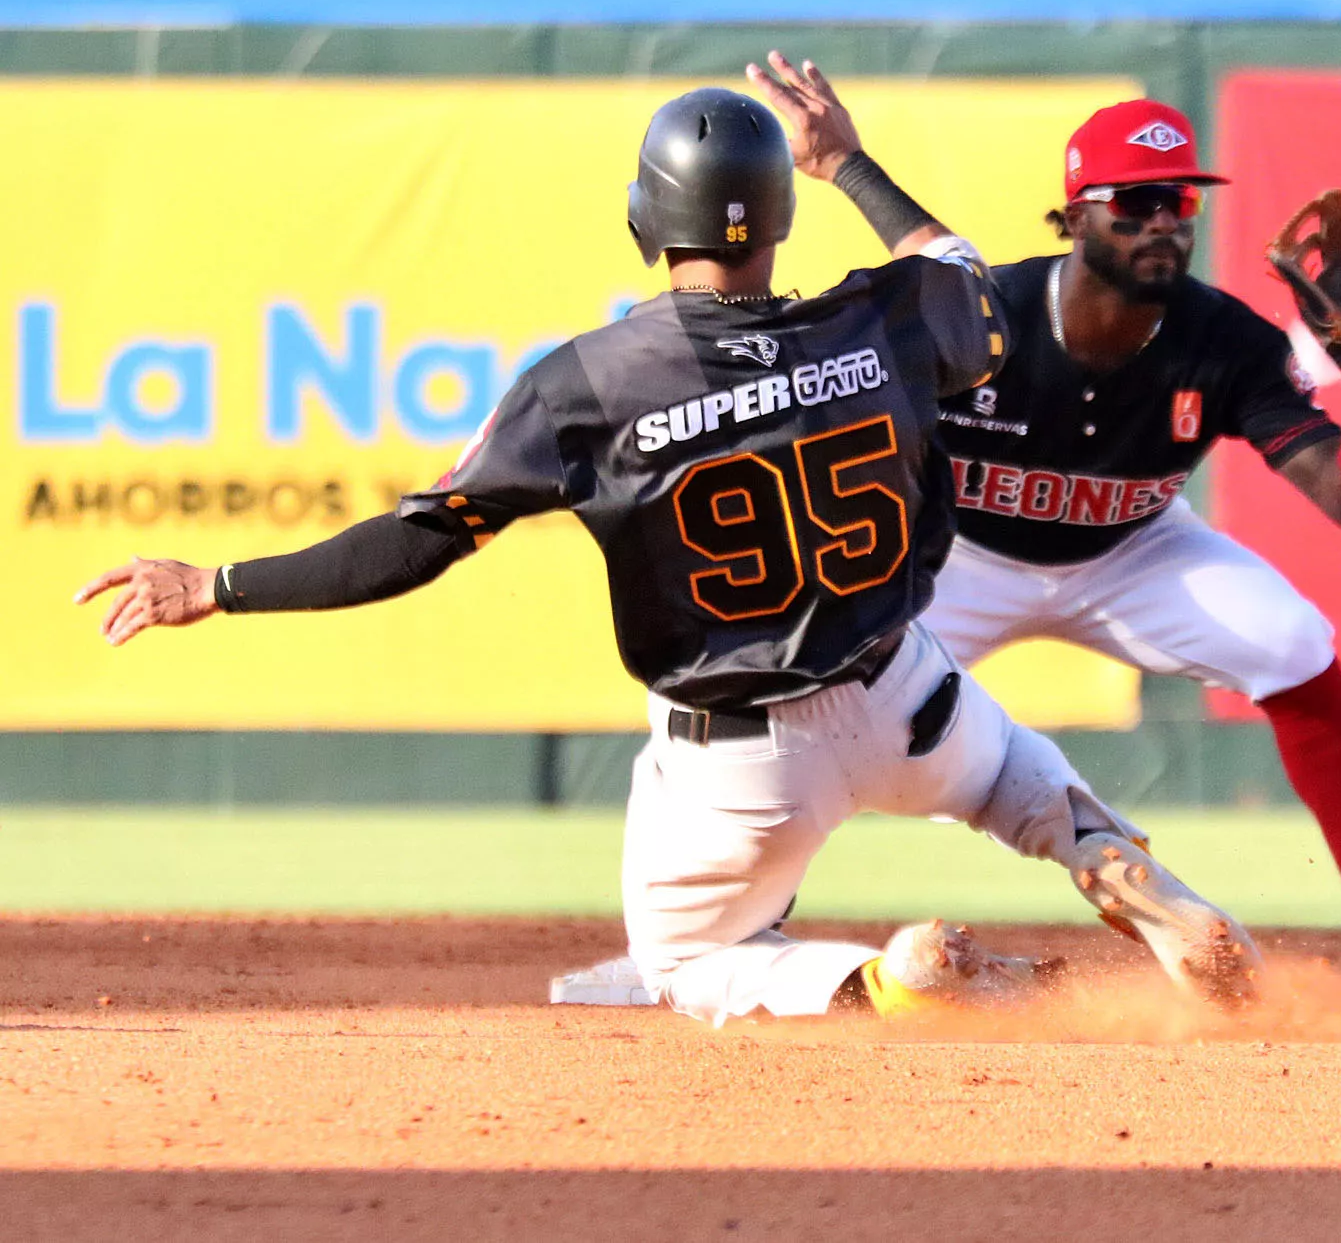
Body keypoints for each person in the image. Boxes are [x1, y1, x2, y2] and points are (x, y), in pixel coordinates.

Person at [73, 57, 1263, 1026]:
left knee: (688, 964)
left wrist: (218, 584)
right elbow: (962, 273)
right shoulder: (882, 320)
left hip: (741, 763)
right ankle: (1106, 851)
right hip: (906, 694)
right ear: (779, 219)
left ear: (646, 221)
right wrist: (843, 157)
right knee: (1017, 779)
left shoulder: (582, 387)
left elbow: (415, 543)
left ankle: (885, 981)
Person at [901, 99, 1341, 1010]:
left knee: (1294, 644)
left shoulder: (1227, 340)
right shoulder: (990, 315)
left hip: (1131, 552)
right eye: (1135, 201)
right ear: (1078, 209)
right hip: (960, 558)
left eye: (1179, 200)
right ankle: (746, 921)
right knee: (828, 692)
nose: (1163, 221)